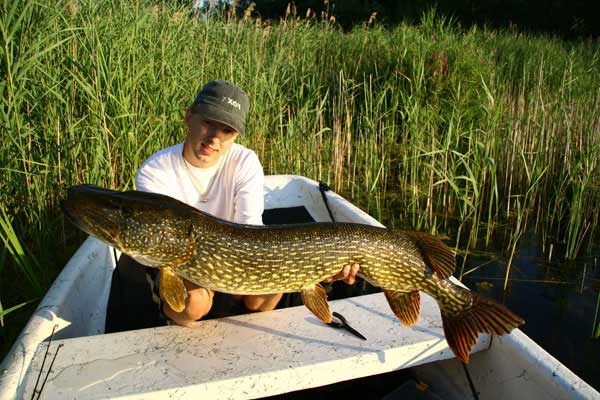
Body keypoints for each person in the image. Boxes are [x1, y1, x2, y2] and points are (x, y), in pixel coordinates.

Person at [134, 80, 359, 327]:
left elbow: (250, 228)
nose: (214, 139)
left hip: (239, 258)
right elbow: (164, 240)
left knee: (259, 302)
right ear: (189, 117)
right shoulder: (155, 170)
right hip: (183, 261)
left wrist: (322, 269)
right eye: (208, 122)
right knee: (193, 303)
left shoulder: (244, 161)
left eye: (227, 131)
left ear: (236, 135)